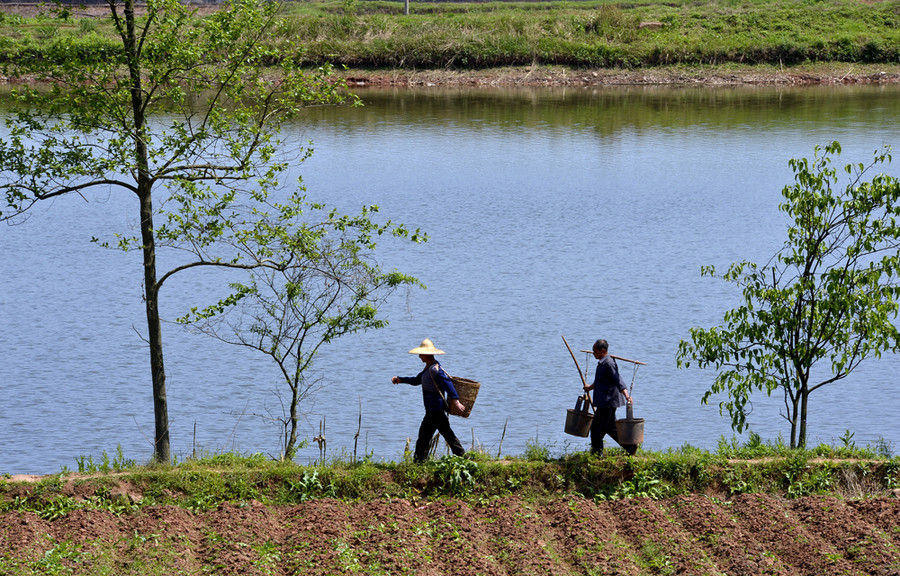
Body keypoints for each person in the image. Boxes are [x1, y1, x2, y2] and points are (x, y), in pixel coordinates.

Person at [392, 338, 466, 462]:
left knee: (426, 437)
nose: (419, 356)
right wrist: (400, 379)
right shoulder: (428, 369)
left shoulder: (435, 370)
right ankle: (462, 457)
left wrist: (456, 401)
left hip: (436, 411)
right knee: (441, 435)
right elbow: (416, 381)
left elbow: (449, 384)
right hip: (432, 411)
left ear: (427, 354)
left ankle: (419, 462)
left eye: (421, 354)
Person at [583, 339, 637, 455]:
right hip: (605, 402)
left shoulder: (608, 363)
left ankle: (597, 455)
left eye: (595, 351)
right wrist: (590, 387)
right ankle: (630, 447)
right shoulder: (603, 362)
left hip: (608, 402)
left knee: (596, 429)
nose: (593, 353)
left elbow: (618, 380)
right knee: (609, 428)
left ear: (602, 351)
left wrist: (627, 396)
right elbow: (600, 381)